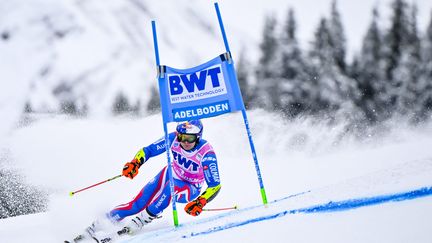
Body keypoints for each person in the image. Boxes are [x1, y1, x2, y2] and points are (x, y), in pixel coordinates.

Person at [77, 119, 221, 241]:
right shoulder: (173, 138)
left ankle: (141, 220)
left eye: (190, 138)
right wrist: (135, 163)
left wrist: (201, 201)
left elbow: (215, 185)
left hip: (191, 188)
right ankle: (99, 225)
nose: (185, 141)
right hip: (172, 172)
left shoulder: (206, 154)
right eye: (182, 137)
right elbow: (149, 150)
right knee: (136, 204)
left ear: (198, 137)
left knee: (173, 187)